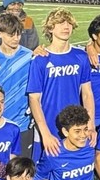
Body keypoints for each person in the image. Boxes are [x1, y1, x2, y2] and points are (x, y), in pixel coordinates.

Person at [27, 8, 95, 158]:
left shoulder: (81, 57)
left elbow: (87, 93)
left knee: (70, 172)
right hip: (47, 126)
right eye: (60, 23)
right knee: (42, 176)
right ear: (50, 28)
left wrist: (90, 125)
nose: (66, 27)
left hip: (74, 127)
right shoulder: (40, 60)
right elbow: (34, 99)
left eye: (69, 23)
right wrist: (44, 133)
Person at [0, 13, 35, 157]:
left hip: (23, 122)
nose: (16, 38)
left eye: (18, 34)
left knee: (21, 167)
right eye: (11, 34)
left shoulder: (30, 57)